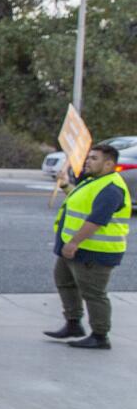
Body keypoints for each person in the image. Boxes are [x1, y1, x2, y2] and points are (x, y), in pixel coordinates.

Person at [43, 143, 131, 349]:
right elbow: (81, 203)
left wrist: (74, 242)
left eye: (94, 158)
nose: (87, 161)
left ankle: (100, 336)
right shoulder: (94, 181)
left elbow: (96, 220)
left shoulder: (111, 188)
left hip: (94, 251)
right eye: (88, 157)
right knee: (64, 282)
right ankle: (73, 323)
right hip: (76, 248)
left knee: (93, 293)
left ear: (109, 163)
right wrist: (65, 186)